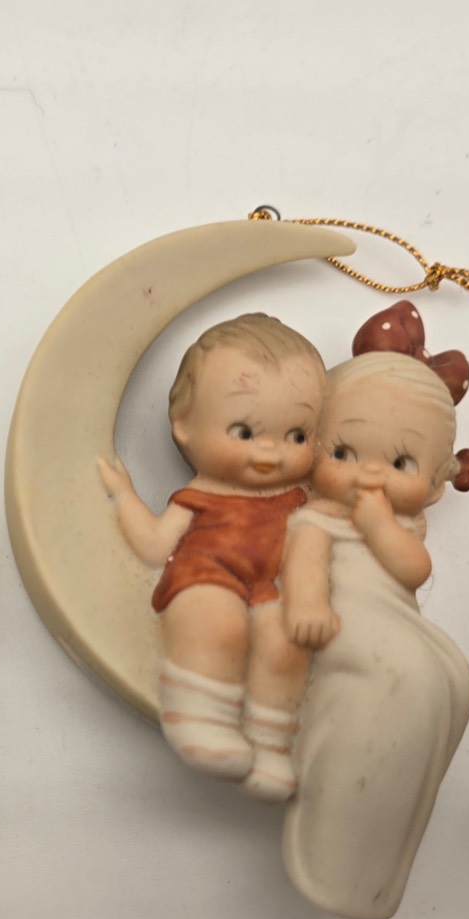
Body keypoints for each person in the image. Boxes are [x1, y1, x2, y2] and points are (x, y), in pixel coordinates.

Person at [278, 347, 469, 919]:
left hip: (392, 619)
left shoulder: (398, 527)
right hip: (339, 622)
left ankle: (378, 859)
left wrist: (377, 525)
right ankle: (332, 853)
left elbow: (413, 571)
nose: (368, 474)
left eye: (400, 463)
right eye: (343, 453)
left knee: (455, 677)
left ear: (435, 487)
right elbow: (303, 566)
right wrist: (308, 605)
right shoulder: (314, 518)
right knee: (408, 673)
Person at [99, 314, 325, 800]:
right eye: (244, 432)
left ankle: (270, 742)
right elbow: (155, 545)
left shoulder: (300, 500)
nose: (270, 452)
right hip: (203, 575)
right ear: (184, 427)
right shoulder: (197, 497)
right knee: (220, 624)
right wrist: (124, 497)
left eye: (297, 436)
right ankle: (199, 718)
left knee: (284, 643)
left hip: (266, 588)